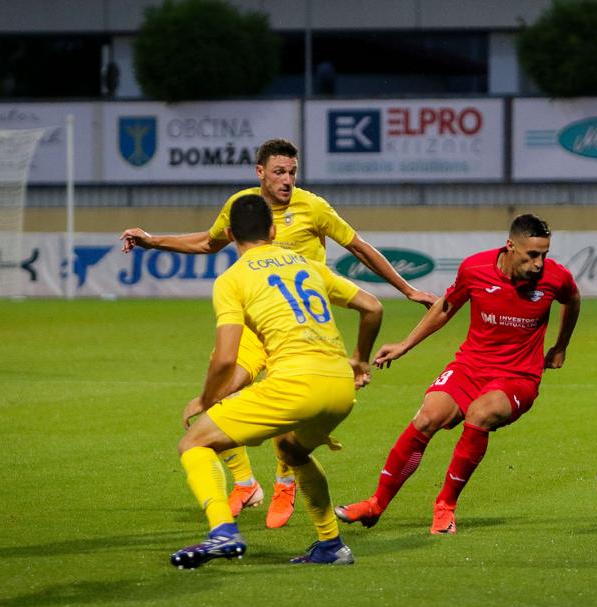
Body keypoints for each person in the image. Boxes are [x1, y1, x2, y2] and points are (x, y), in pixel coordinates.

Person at [120, 138, 436, 529]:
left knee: (288, 406)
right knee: (218, 394)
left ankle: (285, 483)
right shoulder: (243, 207)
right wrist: (153, 241)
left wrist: (407, 289)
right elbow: (208, 241)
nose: (287, 180)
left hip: (301, 329)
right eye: (279, 172)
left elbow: (358, 247)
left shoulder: (313, 207)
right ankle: (246, 484)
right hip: (257, 328)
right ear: (260, 173)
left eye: (292, 172)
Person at [334, 214, 581, 534]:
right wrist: (405, 344)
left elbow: (572, 299)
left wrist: (560, 346)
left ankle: (445, 505)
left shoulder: (555, 277)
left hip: (518, 376)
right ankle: (376, 503)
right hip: (470, 366)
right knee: (427, 417)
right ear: (510, 246)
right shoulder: (475, 269)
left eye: (544, 254)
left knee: (480, 413)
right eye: (532, 255)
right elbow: (446, 307)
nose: (538, 264)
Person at [171, 193, 380, 569]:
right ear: (272, 231)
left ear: (230, 235)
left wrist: (206, 399)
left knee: (194, 443)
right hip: (339, 387)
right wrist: (360, 360)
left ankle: (222, 530)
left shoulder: (232, 279)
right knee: (292, 450)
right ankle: (331, 545)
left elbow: (225, 357)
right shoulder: (306, 264)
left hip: (295, 385)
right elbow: (372, 307)